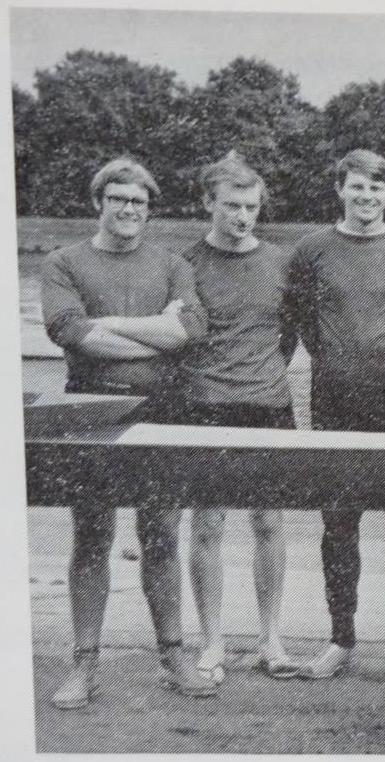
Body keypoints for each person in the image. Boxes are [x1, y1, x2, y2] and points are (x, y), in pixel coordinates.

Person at [41, 157, 215, 708]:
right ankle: (84, 663)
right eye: (118, 199)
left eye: (138, 201)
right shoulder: (64, 262)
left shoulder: (170, 264)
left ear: (149, 208)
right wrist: (153, 333)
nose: (128, 209)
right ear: (99, 202)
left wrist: (111, 324)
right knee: (92, 534)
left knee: (161, 533)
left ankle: (173, 656)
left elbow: (188, 331)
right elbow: (70, 331)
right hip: (91, 412)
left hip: (162, 412)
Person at [288, 149, 385, 682]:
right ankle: (340, 638)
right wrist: (339, 360)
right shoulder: (311, 249)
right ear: (340, 189)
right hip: (335, 397)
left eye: (376, 188)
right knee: (338, 522)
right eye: (357, 186)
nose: (366, 197)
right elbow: (304, 319)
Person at [180, 152, 299, 683]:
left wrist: (260, 373)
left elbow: (288, 335)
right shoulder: (186, 263)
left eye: (251, 207)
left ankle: (271, 637)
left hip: (269, 404)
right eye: (232, 206)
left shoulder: (280, 261)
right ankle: (212, 640)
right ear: (209, 203)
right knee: (208, 522)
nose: (242, 216)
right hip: (205, 404)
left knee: (269, 521)